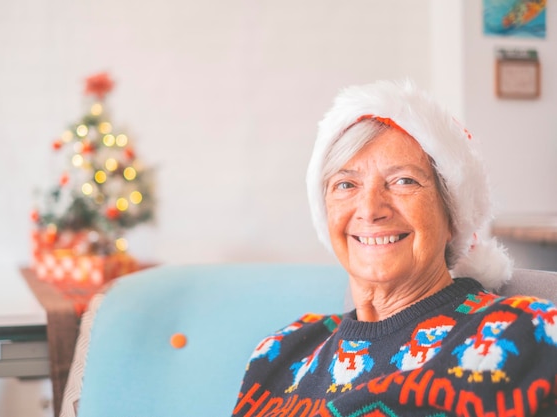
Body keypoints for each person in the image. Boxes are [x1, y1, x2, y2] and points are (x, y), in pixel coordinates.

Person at [231, 80, 557, 416]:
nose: (370, 209)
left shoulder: (524, 332)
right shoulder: (281, 350)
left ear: (452, 217)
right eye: (346, 184)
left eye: (403, 181)